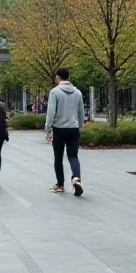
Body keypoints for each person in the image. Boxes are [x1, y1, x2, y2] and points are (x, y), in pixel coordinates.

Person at [44, 67, 84, 196]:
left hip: (59, 129)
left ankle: (60, 184)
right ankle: (76, 178)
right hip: (73, 128)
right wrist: (80, 126)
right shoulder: (77, 93)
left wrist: (48, 128)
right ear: (69, 77)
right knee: (73, 156)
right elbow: (81, 112)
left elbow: (51, 112)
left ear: (57, 77)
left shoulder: (54, 92)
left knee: (58, 157)